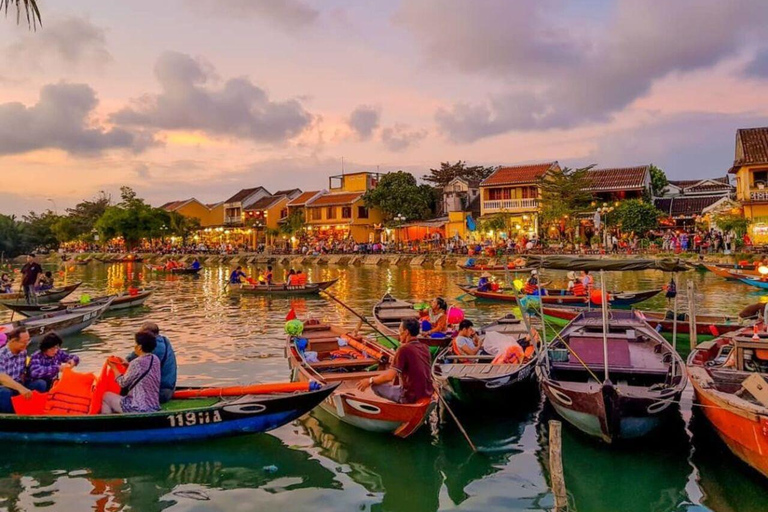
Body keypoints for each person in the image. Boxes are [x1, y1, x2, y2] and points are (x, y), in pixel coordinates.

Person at [356, 318, 434, 404]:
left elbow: (389, 377)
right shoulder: (425, 347)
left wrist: (370, 380)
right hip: (427, 393)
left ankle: (402, 403)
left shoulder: (403, 349)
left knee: (376, 385)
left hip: (410, 396)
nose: (399, 334)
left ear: (406, 332)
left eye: (400, 331)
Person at [101, 331, 161, 414]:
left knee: (106, 396)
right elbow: (142, 371)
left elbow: (123, 383)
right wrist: (128, 366)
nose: (134, 346)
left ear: (139, 347)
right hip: (153, 405)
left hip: (138, 407)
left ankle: (107, 422)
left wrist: (114, 368)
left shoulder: (136, 363)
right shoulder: (155, 359)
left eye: (135, 343)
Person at [125, 322, 177, 403]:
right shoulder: (164, 341)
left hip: (161, 393)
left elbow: (130, 360)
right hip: (168, 389)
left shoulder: (153, 348)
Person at [0, 327, 47, 413]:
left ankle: (35, 410)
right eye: (24, 342)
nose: (26, 345)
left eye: (28, 341)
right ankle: (10, 417)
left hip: (19, 385)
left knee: (41, 383)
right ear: (13, 341)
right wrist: (21, 388)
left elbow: (24, 373)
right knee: (4, 392)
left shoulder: (23, 352)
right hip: (5, 387)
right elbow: (2, 378)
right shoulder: (1, 355)